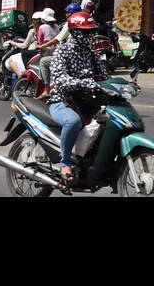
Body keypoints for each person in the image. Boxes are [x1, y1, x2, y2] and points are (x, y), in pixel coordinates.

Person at [47, 12, 110, 182]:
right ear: (74, 33)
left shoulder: (92, 54)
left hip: (89, 101)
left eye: (91, 32)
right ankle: (65, 162)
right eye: (85, 32)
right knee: (72, 122)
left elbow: (105, 78)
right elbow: (59, 79)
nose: (90, 36)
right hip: (63, 100)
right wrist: (83, 83)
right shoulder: (62, 51)